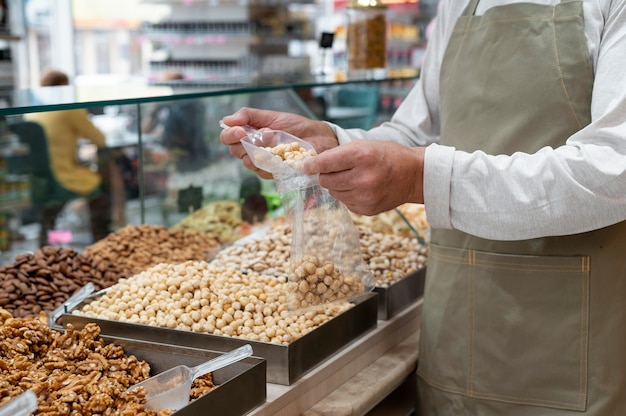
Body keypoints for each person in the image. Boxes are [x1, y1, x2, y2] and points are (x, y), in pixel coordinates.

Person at [220, 1, 626, 414]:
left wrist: (419, 178)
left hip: (569, 329)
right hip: (456, 317)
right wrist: (331, 141)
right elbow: (418, 130)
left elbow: (615, 168)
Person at [25, 69, 111, 244]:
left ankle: (45, 238)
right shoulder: (69, 109)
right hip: (63, 175)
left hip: (39, 178)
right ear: (65, 87)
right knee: (103, 185)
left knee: (54, 206)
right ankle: (101, 238)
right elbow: (100, 139)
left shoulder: (32, 111)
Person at [141, 71, 210, 172]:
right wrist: (154, 109)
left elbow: (185, 137)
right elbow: (144, 130)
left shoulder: (186, 107)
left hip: (185, 161)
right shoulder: (163, 106)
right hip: (165, 156)